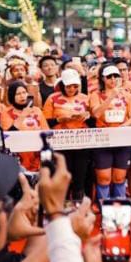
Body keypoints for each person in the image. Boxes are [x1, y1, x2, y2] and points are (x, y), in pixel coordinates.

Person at [43, 68, 92, 201]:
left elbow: (94, 119)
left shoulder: (85, 98)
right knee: (63, 176)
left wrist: (87, 116)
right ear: (62, 85)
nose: (71, 89)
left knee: (80, 177)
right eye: (68, 86)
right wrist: (60, 120)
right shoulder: (52, 99)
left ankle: (78, 205)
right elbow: (45, 122)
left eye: (75, 86)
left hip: (81, 143)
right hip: (60, 143)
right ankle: (62, 206)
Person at [90, 64, 131, 200]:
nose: (113, 79)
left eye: (116, 76)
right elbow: (96, 114)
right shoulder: (95, 95)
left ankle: (119, 209)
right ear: (103, 79)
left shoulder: (127, 96)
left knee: (119, 177)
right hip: (103, 139)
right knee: (104, 178)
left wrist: (122, 127)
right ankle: (105, 209)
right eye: (109, 76)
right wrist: (111, 97)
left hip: (122, 139)